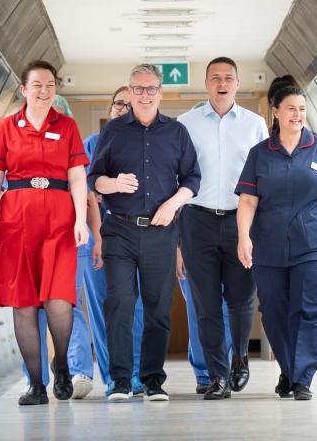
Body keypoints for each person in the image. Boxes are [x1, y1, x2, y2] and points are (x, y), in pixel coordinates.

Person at [235, 84, 317, 400]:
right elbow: (248, 202)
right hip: (268, 245)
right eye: (291, 108)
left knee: (312, 308)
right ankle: (290, 370)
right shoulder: (260, 154)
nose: (298, 115)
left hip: (316, 244)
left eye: (302, 109)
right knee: (275, 311)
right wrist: (243, 238)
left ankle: (302, 378)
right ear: (276, 112)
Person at [88, 63, 200, 401]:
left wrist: (173, 205)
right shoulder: (114, 131)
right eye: (138, 89)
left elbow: (192, 179)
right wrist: (114, 183)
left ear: (160, 92)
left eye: (151, 89)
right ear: (131, 91)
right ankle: (120, 381)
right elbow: (95, 179)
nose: (145, 95)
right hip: (119, 230)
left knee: (157, 308)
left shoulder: (177, 133)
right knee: (120, 302)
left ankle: (153, 381)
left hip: (160, 233)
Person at [0, 61, 90, 406]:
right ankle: (36, 385)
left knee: (59, 299)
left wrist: (80, 219)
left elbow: (76, 176)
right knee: (23, 303)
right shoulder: (6, 128)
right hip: (17, 220)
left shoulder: (67, 125)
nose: (44, 91)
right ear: (24, 89)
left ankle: (60, 367)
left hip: (59, 219)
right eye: (37, 85)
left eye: (50, 85)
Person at [177, 57, 268, 399]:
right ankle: (216, 376)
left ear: (237, 83)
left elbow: (263, 178)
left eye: (228, 77)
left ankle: (240, 358)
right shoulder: (185, 124)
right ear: (206, 83)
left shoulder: (255, 124)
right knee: (205, 303)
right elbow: (177, 178)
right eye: (215, 77)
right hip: (196, 219)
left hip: (240, 220)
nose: (222, 82)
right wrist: (176, 244)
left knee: (242, 298)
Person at [18, 95, 97, 399]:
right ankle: (35, 380)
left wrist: (93, 234)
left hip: (67, 239)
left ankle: (76, 371)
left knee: (66, 304)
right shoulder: (17, 149)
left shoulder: (73, 151)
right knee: (31, 310)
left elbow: (87, 198)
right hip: (28, 242)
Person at [81, 86, 148, 397]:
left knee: (135, 307)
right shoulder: (90, 146)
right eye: (117, 103)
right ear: (109, 110)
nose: (122, 108)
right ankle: (112, 376)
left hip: (136, 237)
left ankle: (136, 373)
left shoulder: (146, 146)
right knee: (103, 307)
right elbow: (84, 192)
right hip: (98, 238)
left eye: (129, 104)